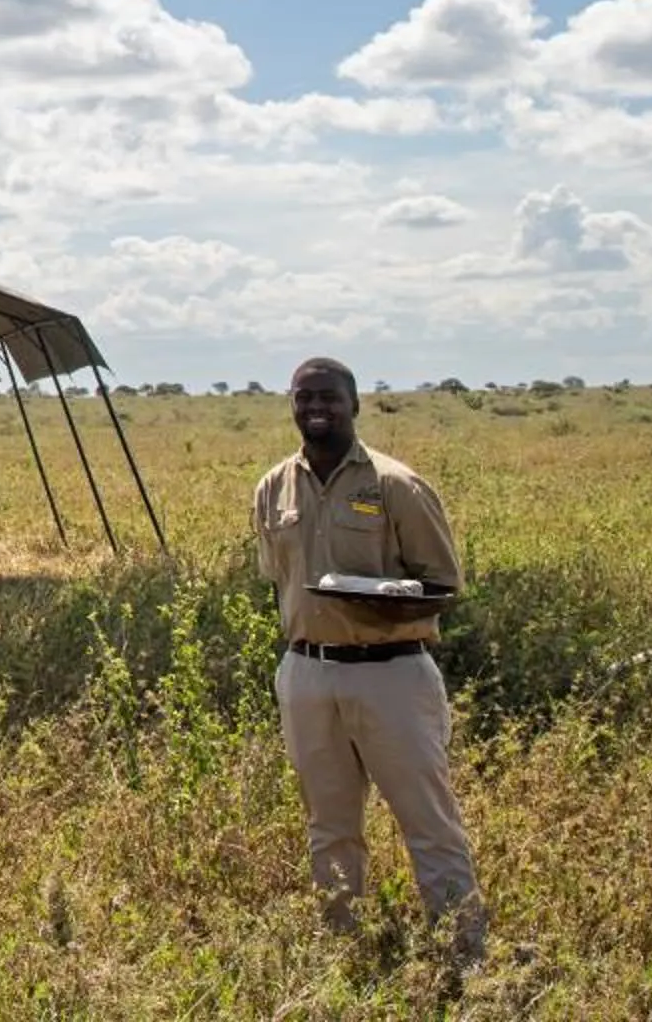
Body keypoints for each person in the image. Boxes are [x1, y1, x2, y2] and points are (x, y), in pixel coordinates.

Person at [254, 356, 482, 956]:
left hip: (392, 674)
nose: (315, 408)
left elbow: (445, 585)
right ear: (292, 406)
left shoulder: (395, 485)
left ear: (356, 404)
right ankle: (343, 951)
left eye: (328, 397)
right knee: (329, 826)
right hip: (306, 674)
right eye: (304, 398)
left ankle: (464, 956)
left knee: (427, 823)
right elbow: (276, 581)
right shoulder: (273, 488)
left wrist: (385, 605)